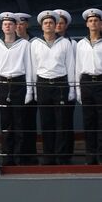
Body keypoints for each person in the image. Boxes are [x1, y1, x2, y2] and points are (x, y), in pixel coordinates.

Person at [31, 10, 76, 165]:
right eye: (46, 23)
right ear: (42, 26)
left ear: (56, 25)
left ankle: (62, 156)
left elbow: (70, 66)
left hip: (61, 84)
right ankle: (49, 156)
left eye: (51, 22)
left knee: (62, 122)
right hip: (43, 84)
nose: (48, 25)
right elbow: (33, 68)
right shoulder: (35, 44)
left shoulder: (65, 43)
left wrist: (71, 88)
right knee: (46, 122)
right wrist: (34, 90)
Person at [0, 12, 34, 165]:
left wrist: (29, 90)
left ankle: (19, 156)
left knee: (19, 121)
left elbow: (29, 67)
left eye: (10, 24)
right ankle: (8, 156)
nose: (8, 26)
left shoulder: (24, 44)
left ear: (16, 26)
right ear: (2, 27)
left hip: (19, 83)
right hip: (2, 84)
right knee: (6, 122)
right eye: (5, 24)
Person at [76, 8, 102, 165]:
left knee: (101, 121)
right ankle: (90, 154)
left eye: (96, 20)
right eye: (91, 20)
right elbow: (78, 68)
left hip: (101, 81)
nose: (93, 23)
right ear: (87, 24)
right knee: (89, 120)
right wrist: (78, 90)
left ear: (100, 23)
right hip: (86, 82)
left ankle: (101, 155)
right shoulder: (81, 44)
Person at [14, 13, 37, 160]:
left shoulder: (35, 42)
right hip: (17, 87)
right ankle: (18, 154)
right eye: (16, 24)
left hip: (32, 86)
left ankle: (30, 153)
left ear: (26, 25)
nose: (19, 27)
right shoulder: (10, 44)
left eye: (22, 24)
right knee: (16, 122)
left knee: (30, 121)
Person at [53, 9, 76, 159]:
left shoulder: (72, 43)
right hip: (51, 86)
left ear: (66, 26)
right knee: (53, 122)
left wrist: (73, 89)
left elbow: (75, 67)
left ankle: (66, 153)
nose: (59, 26)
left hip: (67, 86)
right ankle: (55, 153)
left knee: (66, 121)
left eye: (62, 23)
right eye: (57, 23)